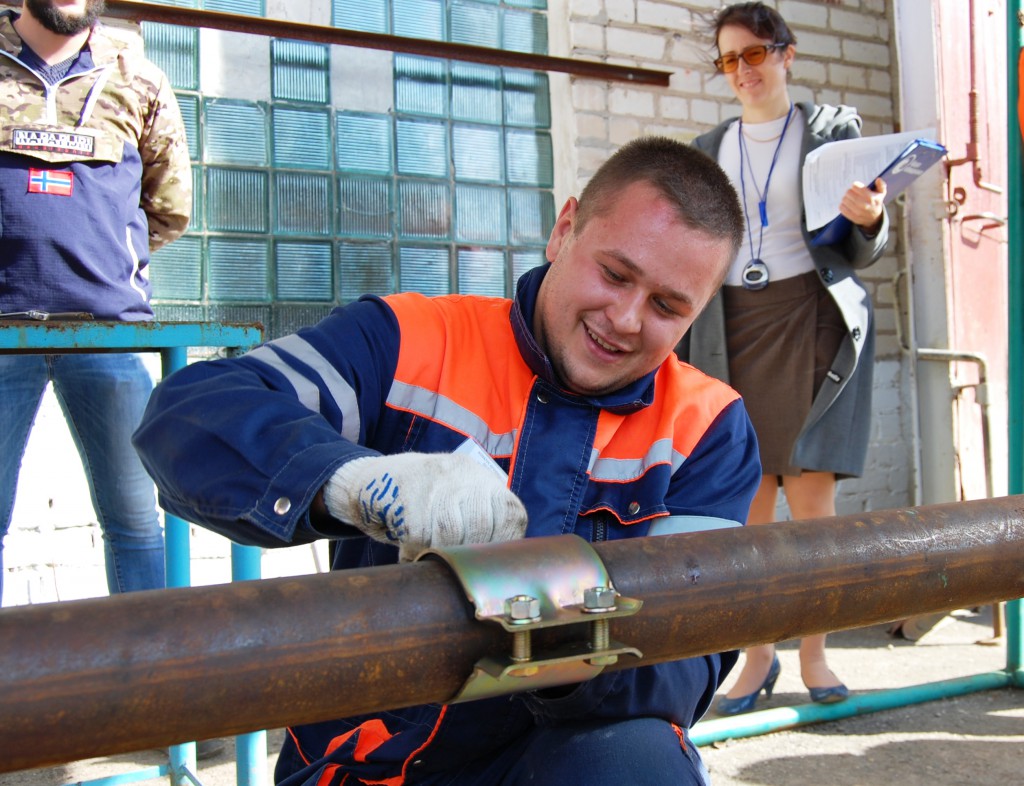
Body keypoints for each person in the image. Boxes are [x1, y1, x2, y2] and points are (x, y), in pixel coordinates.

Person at [133, 136, 763, 786]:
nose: (627, 319)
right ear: (565, 229)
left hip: (555, 762)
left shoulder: (706, 428)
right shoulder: (409, 340)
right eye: (615, 274)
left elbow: (683, 662)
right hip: (362, 763)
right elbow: (190, 415)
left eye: (667, 306)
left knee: (637, 761)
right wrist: (352, 481)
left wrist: (543, 622)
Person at [680, 2, 890, 716]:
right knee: (746, 510)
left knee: (812, 507)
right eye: (729, 59)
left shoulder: (832, 130)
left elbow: (864, 237)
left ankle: (815, 656)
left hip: (806, 320)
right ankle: (757, 657)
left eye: (755, 54)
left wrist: (872, 217)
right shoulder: (708, 147)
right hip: (729, 328)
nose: (743, 70)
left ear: (787, 53)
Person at [0, 0, 190, 601]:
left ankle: (149, 682)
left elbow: (171, 205)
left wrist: (104, 264)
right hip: (1, 334)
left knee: (136, 523)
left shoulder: (139, 78)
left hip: (109, 333)